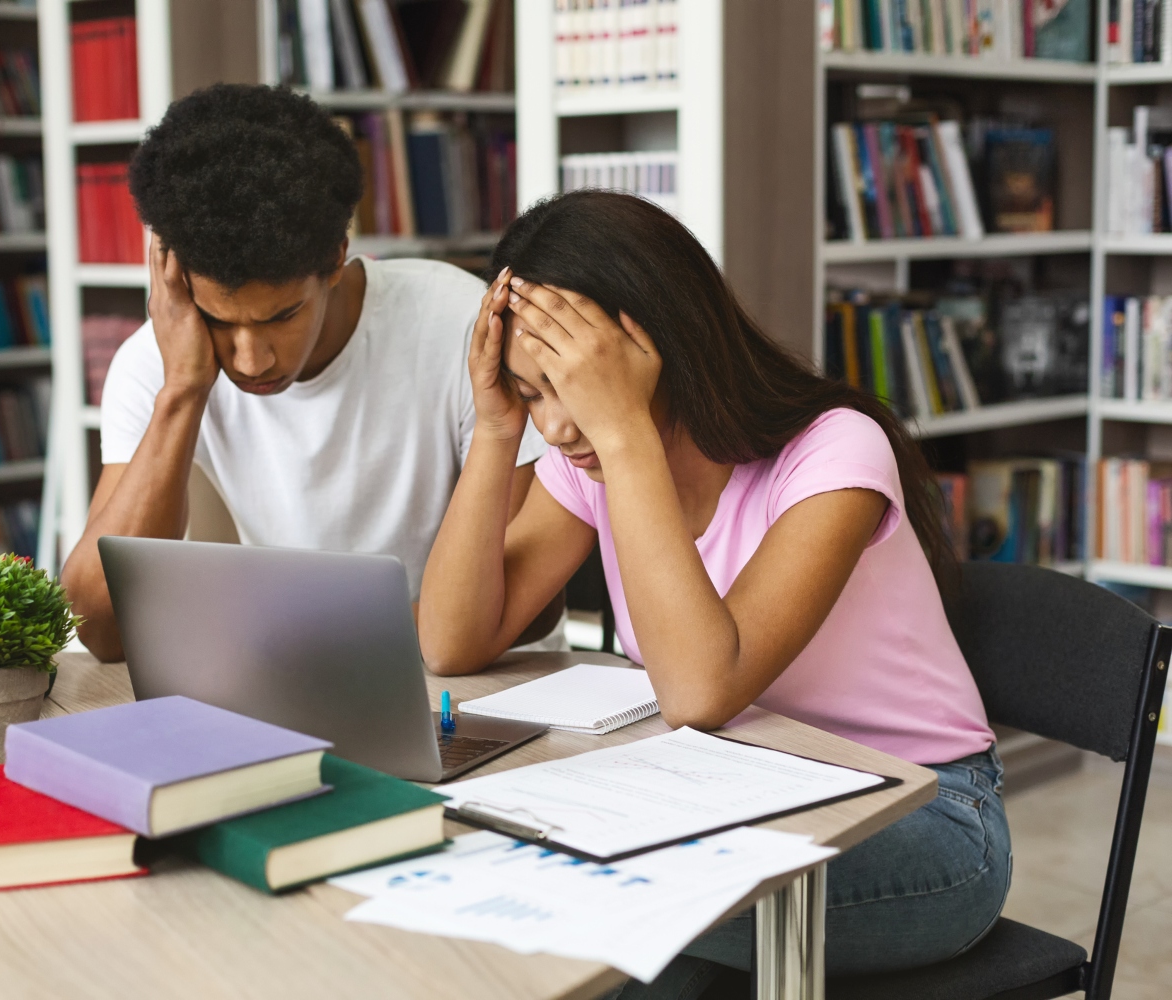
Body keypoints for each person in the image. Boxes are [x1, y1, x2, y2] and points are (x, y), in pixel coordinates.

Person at [417, 190, 1008, 996]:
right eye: (531, 394)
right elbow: (452, 641)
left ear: (659, 345)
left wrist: (621, 431)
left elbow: (701, 691)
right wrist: (494, 429)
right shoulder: (586, 455)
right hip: (728, 785)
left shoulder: (833, 451)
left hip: (923, 810)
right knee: (623, 948)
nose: (555, 428)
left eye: (572, 390)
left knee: (591, 897)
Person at [60, 84, 548, 662]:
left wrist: (294, 643)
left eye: (282, 315)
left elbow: (532, 604)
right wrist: (183, 393)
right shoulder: (156, 365)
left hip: (474, 679)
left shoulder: (460, 331)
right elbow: (102, 630)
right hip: (291, 673)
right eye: (220, 321)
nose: (251, 359)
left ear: (337, 257)